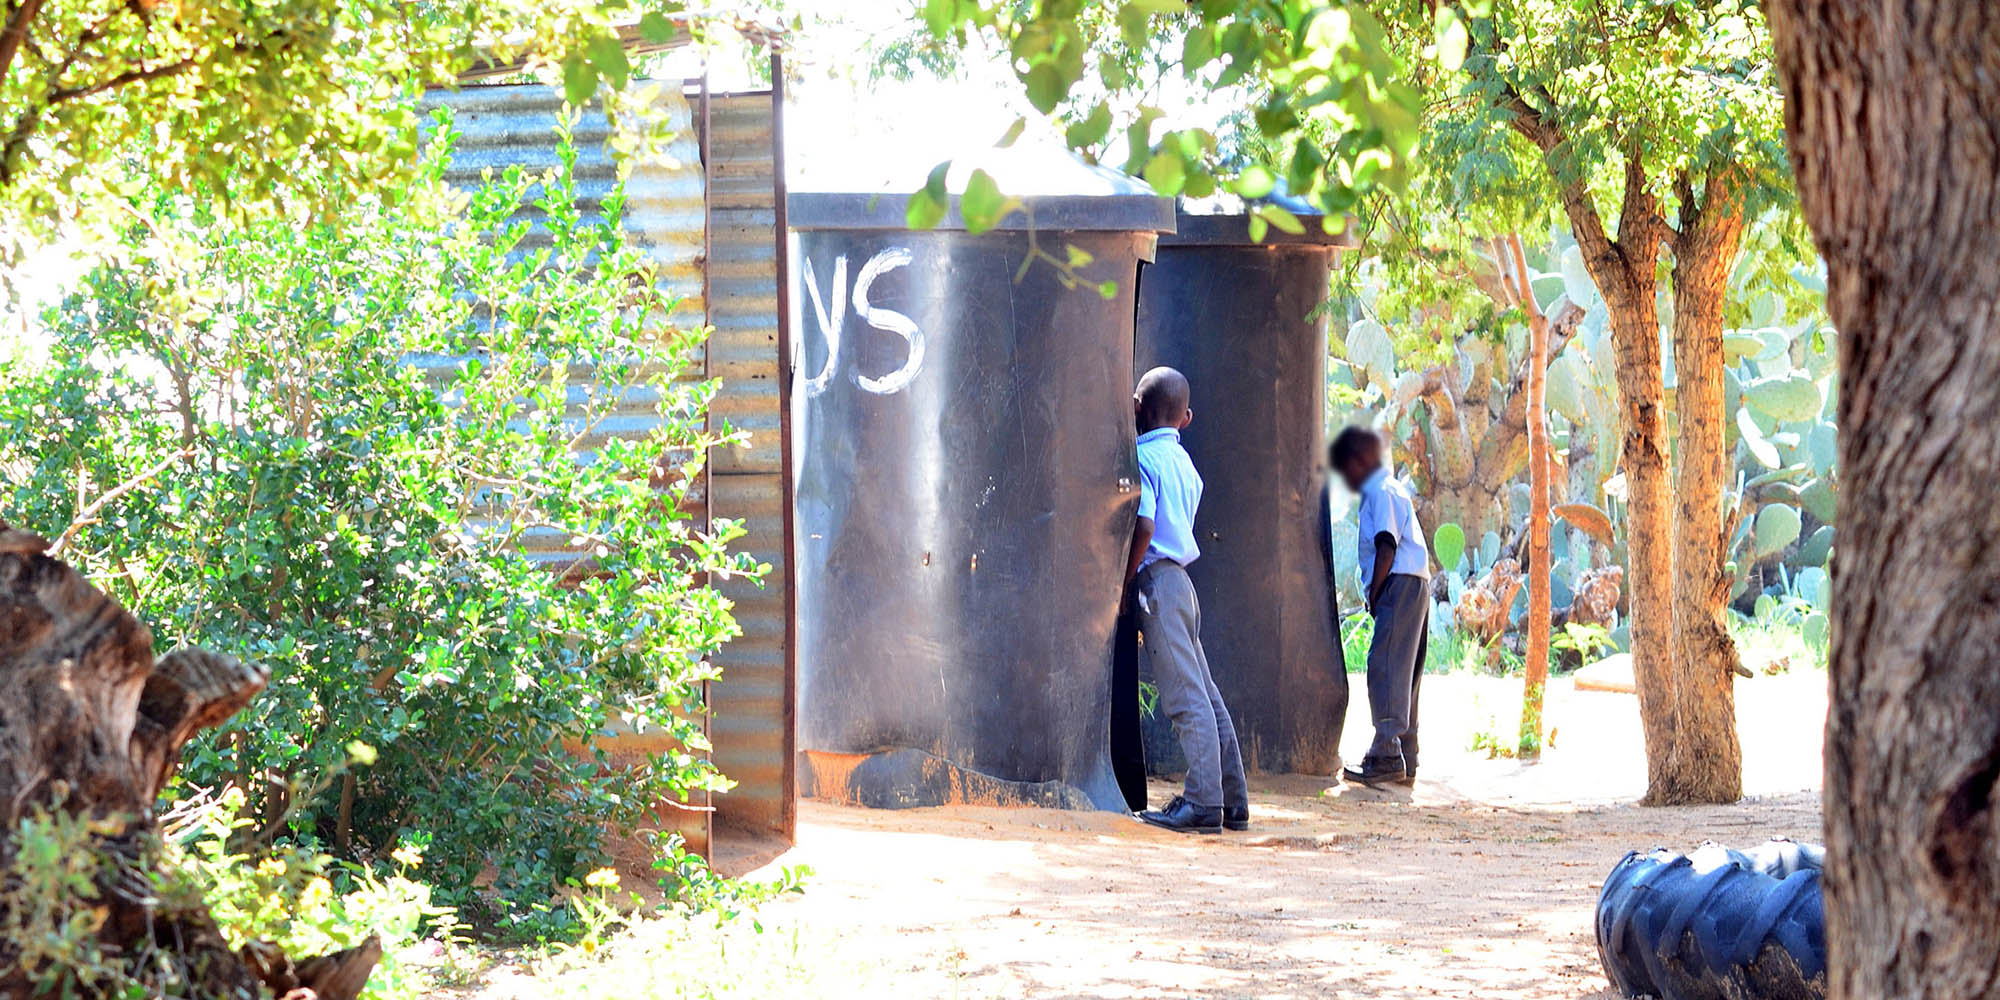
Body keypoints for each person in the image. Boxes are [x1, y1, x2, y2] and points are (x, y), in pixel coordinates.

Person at [1125, 366, 1249, 834]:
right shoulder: (1185, 466)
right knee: (1206, 693)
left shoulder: (1142, 458)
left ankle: (1202, 803)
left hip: (1157, 581)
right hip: (1183, 583)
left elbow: (1144, 525)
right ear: (1187, 418)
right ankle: (1232, 800)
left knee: (1185, 697)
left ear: (1136, 408)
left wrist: (1125, 582)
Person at [1330, 425, 1431, 789]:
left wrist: (1375, 592)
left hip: (1398, 583)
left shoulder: (1379, 490)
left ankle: (1386, 754)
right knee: (1405, 672)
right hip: (1416, 582)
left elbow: (1386, 544)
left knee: (1385, 666)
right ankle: (1407, 756)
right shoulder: (1394, 488)